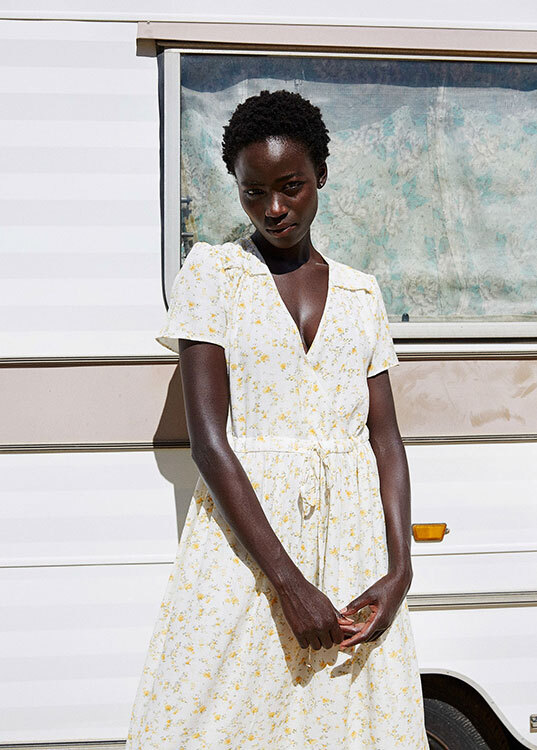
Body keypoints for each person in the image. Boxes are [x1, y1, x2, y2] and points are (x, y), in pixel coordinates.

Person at [126, 89, 429, 748]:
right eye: (253, 192)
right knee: (216, 717)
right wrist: (289, 583)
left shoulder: (361, 292)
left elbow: (385, 440)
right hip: (249, 545)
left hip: (351, 546)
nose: (273, 208)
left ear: (321, 174)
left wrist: (400, 570)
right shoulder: (214, 275)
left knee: (347, 720)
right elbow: (209, 442)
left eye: (290, 186)